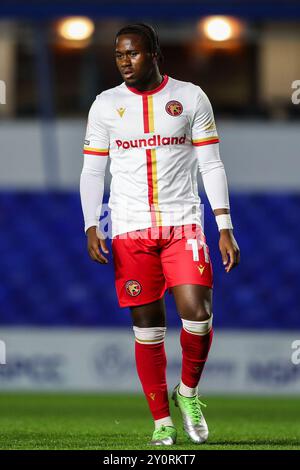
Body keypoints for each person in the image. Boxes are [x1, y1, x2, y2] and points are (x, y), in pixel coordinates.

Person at [80, 23, 240, 446]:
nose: (125, 62)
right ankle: (161, 423)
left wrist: (224, 225)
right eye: (118, 56)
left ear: (154, 54)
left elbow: (212, 165)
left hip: (182, 223)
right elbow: (93, 170)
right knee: (147, 328)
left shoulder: (190, 97)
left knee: (198, 313)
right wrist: (90, 223)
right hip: (129, 228)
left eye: (133, 54)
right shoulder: (105, 105)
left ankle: (187, 392)